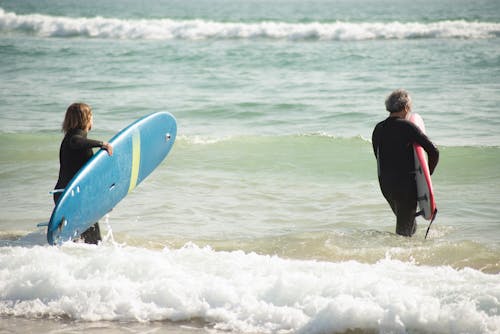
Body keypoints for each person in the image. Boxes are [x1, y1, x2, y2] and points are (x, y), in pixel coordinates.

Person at [372, 89, 439, 236]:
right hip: (405, 187)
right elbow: (433, 151)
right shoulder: (407, 127)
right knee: (404, 232)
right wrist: (427, 176)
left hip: (386, 185)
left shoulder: (378, 128)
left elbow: (379, 158)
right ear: (406, 107)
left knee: (407, 223)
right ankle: (395, 256)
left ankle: (398, 253)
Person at [53, 103, 113, 244]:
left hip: (66, 195)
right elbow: (77, 142)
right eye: (91, 116)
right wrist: (102, 144)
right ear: (85, 119)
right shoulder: (74, 138)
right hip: (73, 197)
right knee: (93, 242)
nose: (93, 120)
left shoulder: (68, 139)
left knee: (78, 241)